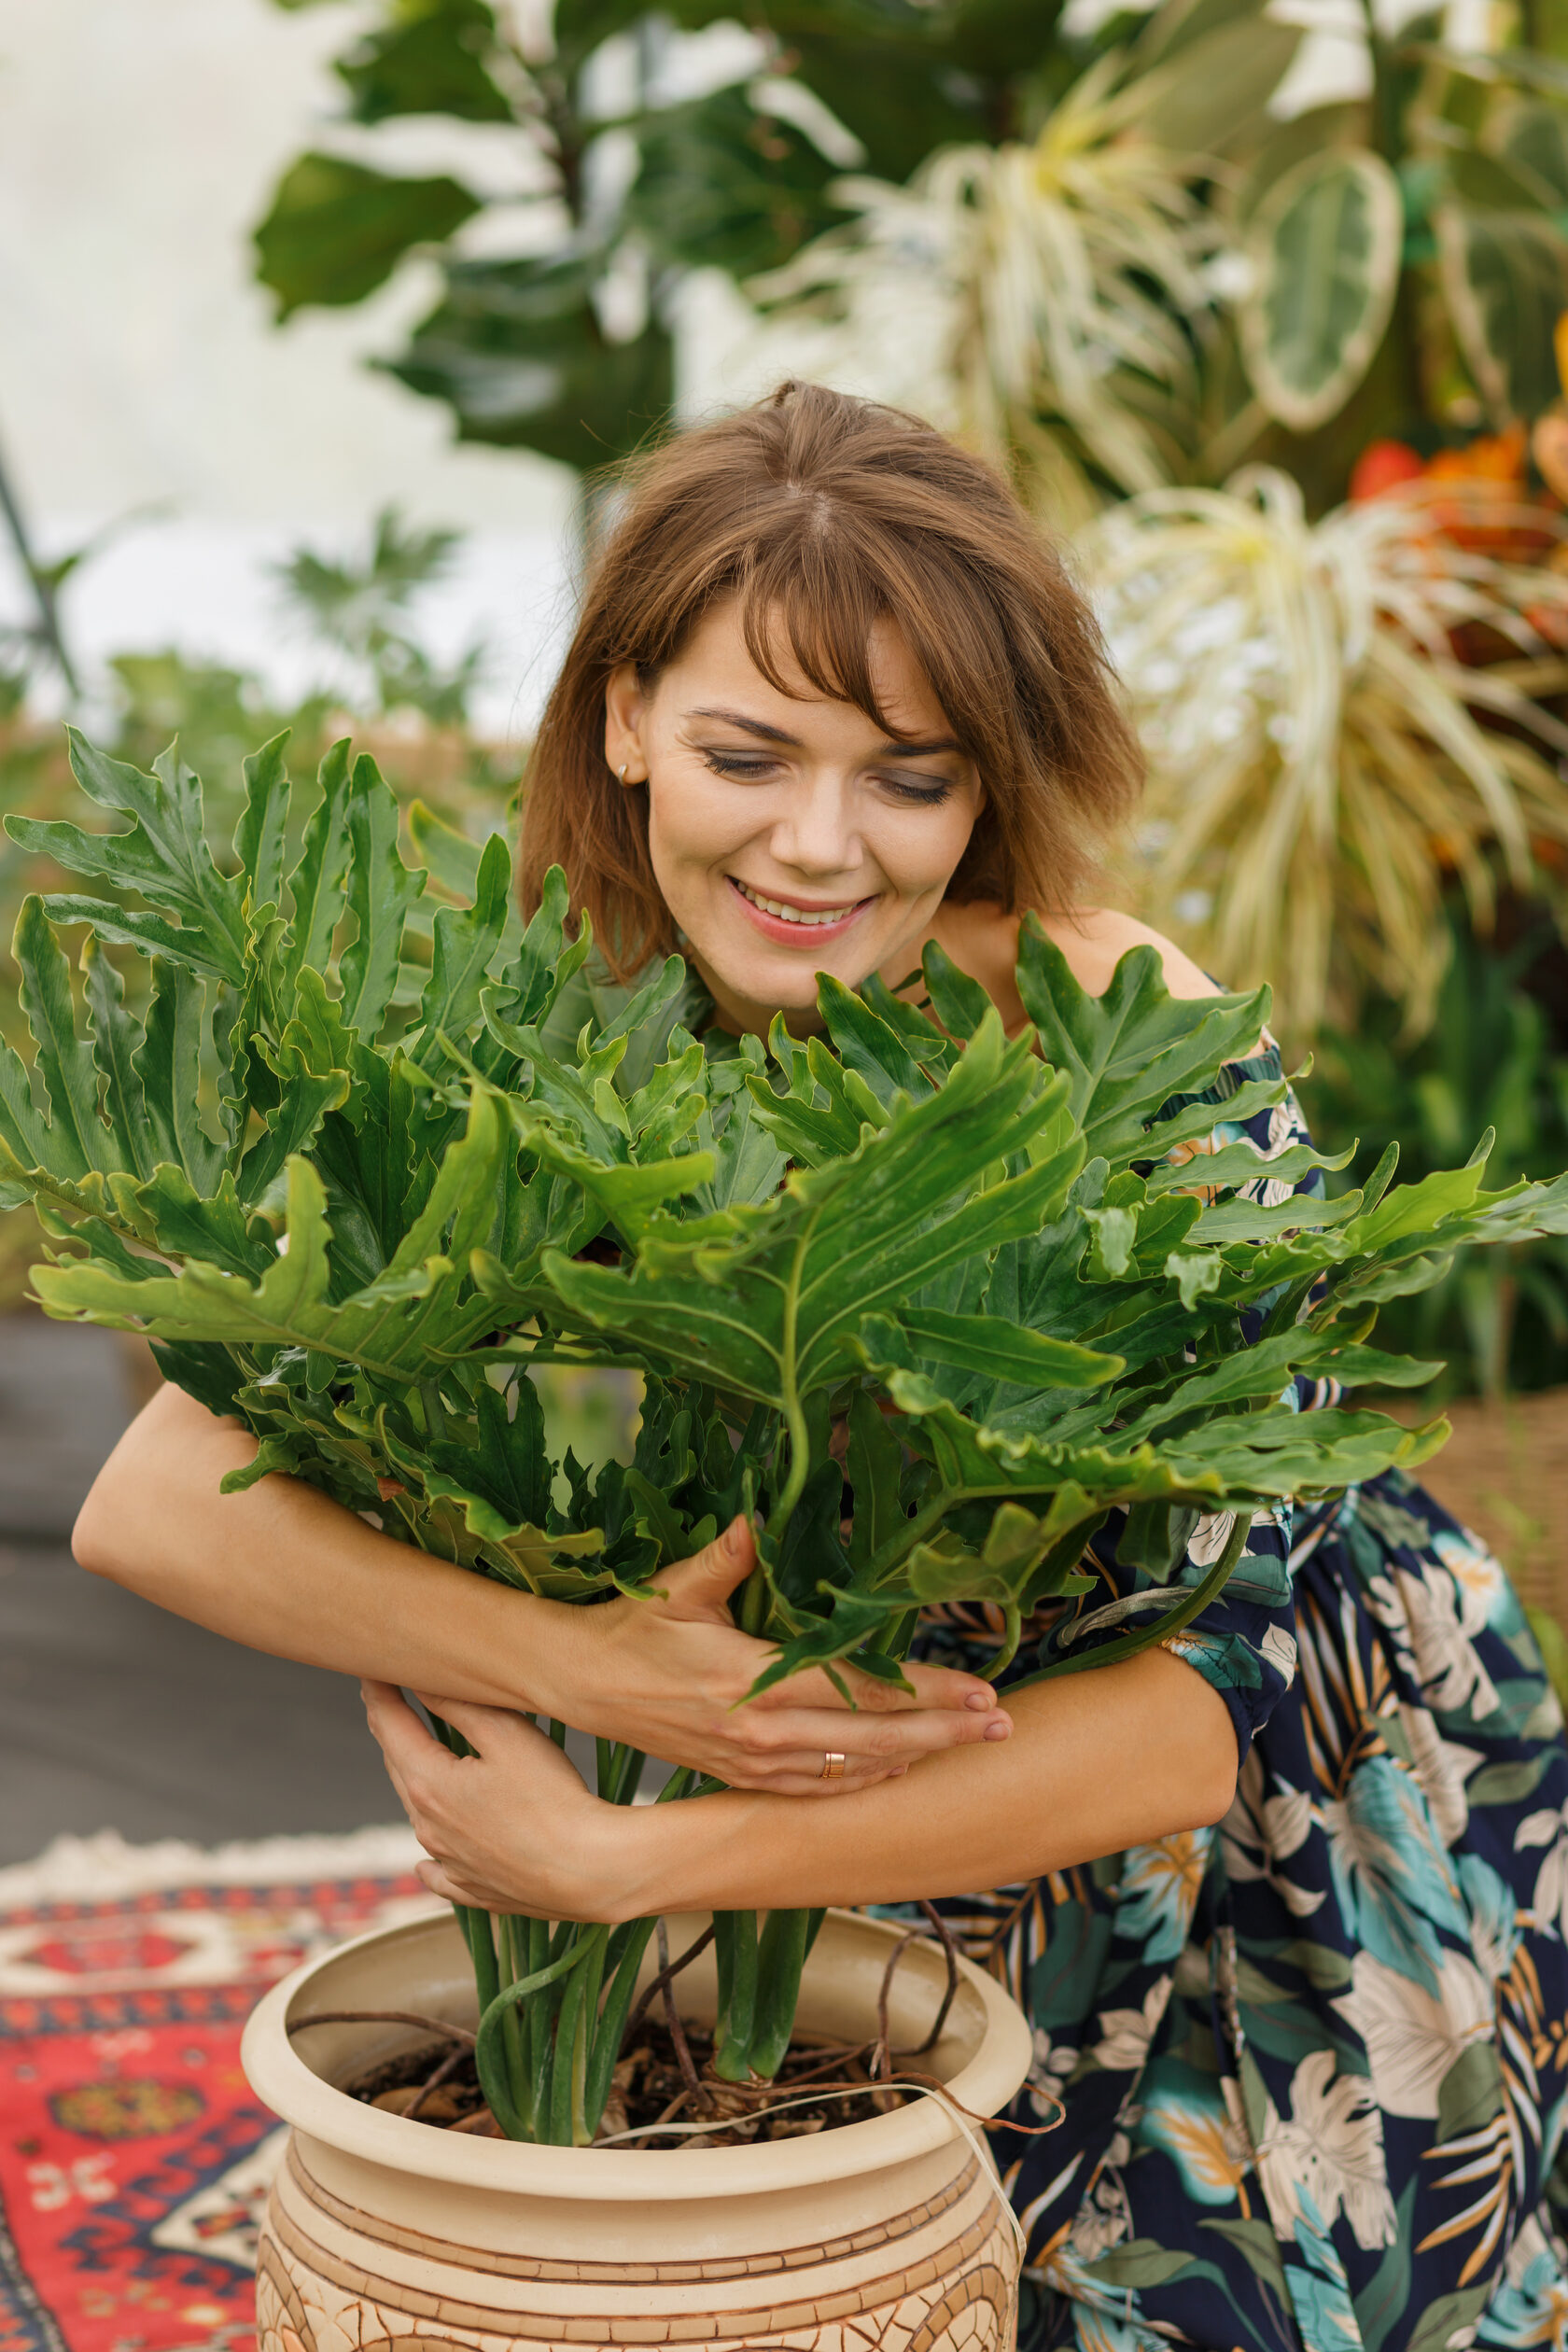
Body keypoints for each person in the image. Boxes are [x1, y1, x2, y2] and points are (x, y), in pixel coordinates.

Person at [74, 383, 1568, 2352]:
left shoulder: (1115, 1031)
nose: (818, 845)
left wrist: (633, 1859)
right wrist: (590, 1668)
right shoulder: (567, 1035)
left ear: (987, 786)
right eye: (745, 753)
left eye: (910, 777)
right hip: (842, 1827)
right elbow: (151, 1504)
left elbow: (1211, 1716)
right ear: (623, 722)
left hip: (1255, 1849)